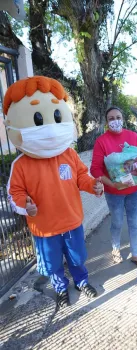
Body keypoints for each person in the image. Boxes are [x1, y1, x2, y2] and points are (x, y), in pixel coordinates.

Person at [4, 76, 104, 309]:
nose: (49, 127)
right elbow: (14, 193)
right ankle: (60, 287)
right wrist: (24, 205)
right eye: (39, 119)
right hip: (45, 227)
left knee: (78, 256)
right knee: (52, 263)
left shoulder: (68, 154)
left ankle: (81, 281)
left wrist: (94, 186)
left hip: (71, 220)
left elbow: (82, 176)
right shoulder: (20, 165)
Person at [90, 107, 137, 268]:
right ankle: (115, 249)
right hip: (114, 192)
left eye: (118, 117)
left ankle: (135, 253)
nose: (115, 121)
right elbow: (95, 169)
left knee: (134, 221)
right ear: (107, 122)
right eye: (111, 118)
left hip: (134, 190)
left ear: (123, 119)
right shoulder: (102, 141)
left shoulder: (133, 137)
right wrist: (112, 184)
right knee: (117, 222)